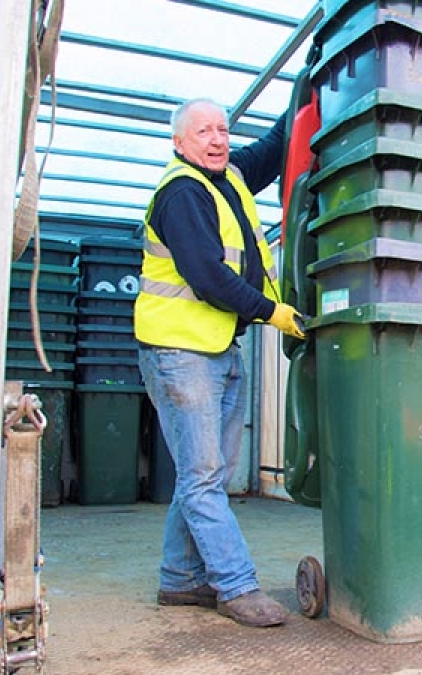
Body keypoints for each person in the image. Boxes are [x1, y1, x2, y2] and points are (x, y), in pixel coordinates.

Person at [134, 98, 305, 628]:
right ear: (179, 143)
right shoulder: (182, 193)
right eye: (203, 130)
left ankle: (179, 580)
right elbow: (207, 276)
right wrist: (270, 311)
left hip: (217, 347)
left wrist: (306, 87)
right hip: (180, 351)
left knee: (203, 474)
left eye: (222, 129)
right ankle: (236, 586)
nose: (217, 139)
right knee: (205, 476)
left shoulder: (225, 177)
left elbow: (275, 149)